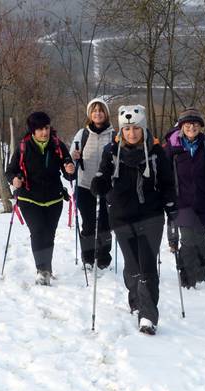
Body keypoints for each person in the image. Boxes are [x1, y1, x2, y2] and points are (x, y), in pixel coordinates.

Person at [91, 105, 177, 335]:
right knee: (133, 266)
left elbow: (168, 182)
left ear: (143, 128)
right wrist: (99, 183)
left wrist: (171, 206)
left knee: (147, 265)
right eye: (127, 129)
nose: (132, 133)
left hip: (152, 215)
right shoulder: (111, 151)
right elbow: (103, 174)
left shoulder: (156, 151)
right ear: (121, 129)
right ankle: (136, 300)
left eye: (136, 129)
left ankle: (148, 315)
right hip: (121, 216)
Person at [6, 111, 74, 285]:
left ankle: (47, 268)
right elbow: (11, 171)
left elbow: (68, 171)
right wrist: (15, 180)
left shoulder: (57, 145)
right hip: (29, 198)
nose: (44, 132)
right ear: (32, 131)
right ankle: (41, 270)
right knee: (38, 231)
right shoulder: (24, 146)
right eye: (40, 129)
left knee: (49, 234)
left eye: (46, 128)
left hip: (54, 198)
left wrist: (70, 168)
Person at [164, 108, 205, 289]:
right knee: (188, 240)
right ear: (182, 126)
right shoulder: (172, 148)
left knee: (201, 240)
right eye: (188, 124)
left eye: (196, 124)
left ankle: (201, 272)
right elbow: (164, 173)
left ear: (200, 127)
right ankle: (187, 276)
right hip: (182, 201)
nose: (192, 127)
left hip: (204, 201)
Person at [70, 97, 115, 270]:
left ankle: (104, 259)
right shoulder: (82, 134)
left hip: (106, 187)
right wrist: (73, 159)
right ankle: (88, 258)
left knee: (105, 224)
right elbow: (70, 161)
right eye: (94, 110)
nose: (98, 113)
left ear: (106, 114)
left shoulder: (114, 134)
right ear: (90, 114)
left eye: (101, 110)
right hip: (85, 185)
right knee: (88, 224)